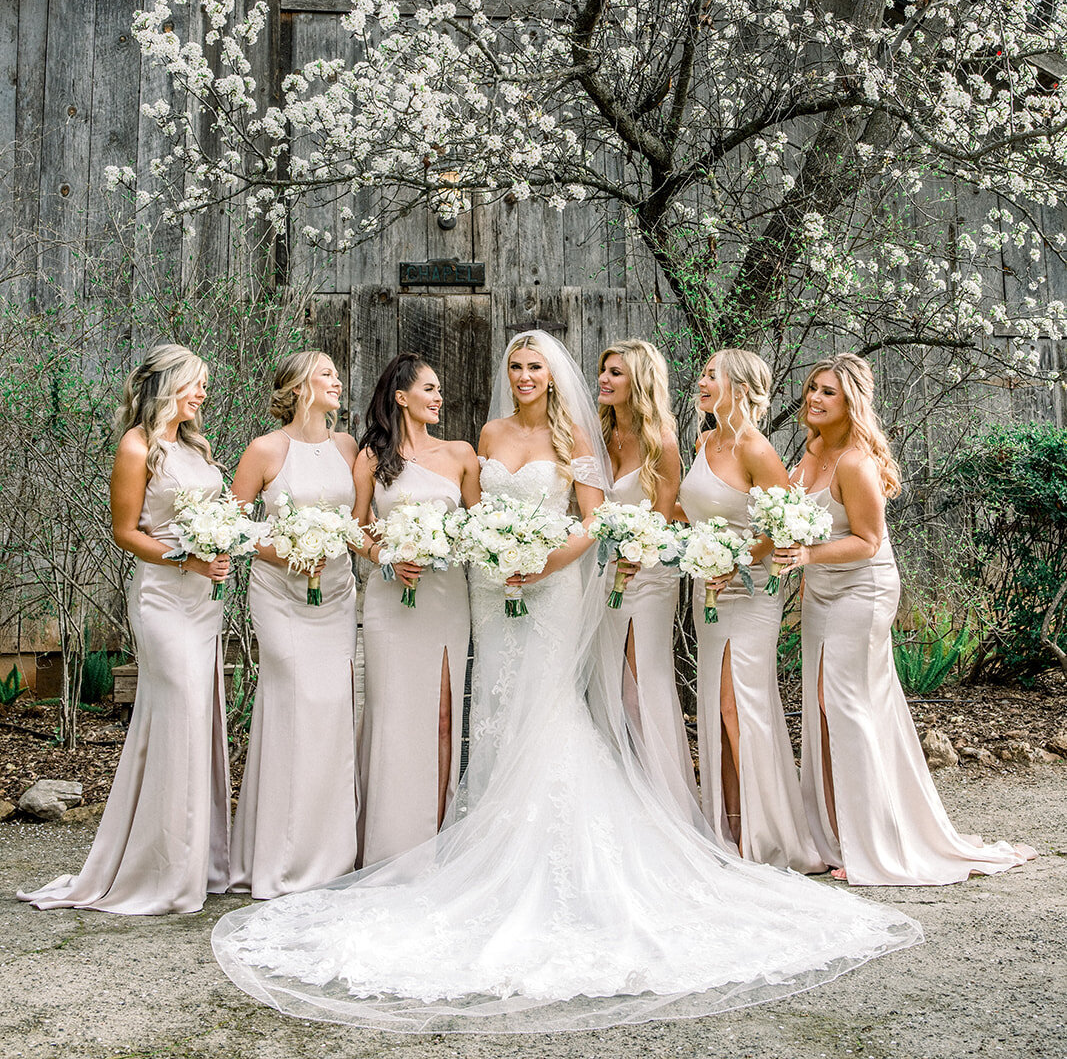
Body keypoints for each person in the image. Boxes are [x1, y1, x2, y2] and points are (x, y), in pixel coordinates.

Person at [211, 332, 920, 1033]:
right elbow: (467, 514)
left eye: (535, 367)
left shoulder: (574, 433)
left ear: (553, 377)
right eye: (515, 366)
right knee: (493, 706)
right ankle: (480, 834)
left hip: (548, 587)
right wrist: (485, 549)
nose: (524, 376)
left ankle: (556, 845)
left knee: (546, 709)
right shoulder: (484, 435)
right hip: (491, 590)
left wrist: (546, 563)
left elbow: (594, 521)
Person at [787, 352, 1035, 886]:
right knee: (821, 704)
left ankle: (872, 842)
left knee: (847, 705)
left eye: (827, 392)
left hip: (862, 588)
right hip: (819, 590)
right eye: (811, 388)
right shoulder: (807, 457)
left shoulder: (855, 462)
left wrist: (806, 556)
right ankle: (831, 834)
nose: (813, 398)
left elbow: (868, 541)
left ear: (850, 401)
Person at [21, 345, 230, 914]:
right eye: (197, 384)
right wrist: (185, 557)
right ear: (169, 384)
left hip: (203, 597)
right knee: (180, 711)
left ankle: (193, 860)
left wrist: (222, 538)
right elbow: (126, 531)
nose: (203, 394)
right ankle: (162, 870)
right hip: (164, 598)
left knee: (195, 719)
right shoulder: (136, 447)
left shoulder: (193, 447)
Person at [678, 350, 823, 870]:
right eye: (703, 372)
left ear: (739, 387)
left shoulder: (755, 449)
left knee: (740, 704)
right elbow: (691, 510)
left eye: (711, 374)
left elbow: (786, 523)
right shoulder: (704, 441)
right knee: (719, 708)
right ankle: (730, 826)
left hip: (750, 591)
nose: (701, 380)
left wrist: (738, 560)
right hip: (708, 589)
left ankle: (763, 838)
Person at [228, 351, 360, 898]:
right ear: (302, 386)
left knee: (331, 709)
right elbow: (230, 528)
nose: (336, 381)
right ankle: (278, 858)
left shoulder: (347, 446)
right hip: (279, 594)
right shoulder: (265, 449)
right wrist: (286, 554)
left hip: (336, 593)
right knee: (292, 703)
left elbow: (358, 521)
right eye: (326, 374)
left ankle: (329, 855)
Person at [353, 353, 478, 864]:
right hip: (391, 601)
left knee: (445, 715)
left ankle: (439, 839)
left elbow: (477, 525)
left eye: (440, 389)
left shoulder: (461, 454)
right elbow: (355, 527)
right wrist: (387, 556)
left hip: (447, 598)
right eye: (428, 389)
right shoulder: (371, 457)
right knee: (393, 714)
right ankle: (389, 843)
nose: (438, 397)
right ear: (401, 397)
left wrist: (453, 543)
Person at [596, 338, 696, 811]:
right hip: (600, 572)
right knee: (606, 684)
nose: (604, 379)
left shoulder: (662, 441)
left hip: (648, 573)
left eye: (616, 373)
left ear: (638, 380)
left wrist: (635, 554)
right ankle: (617, 798)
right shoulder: (596, 435)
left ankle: (663, 802)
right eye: (604, 370)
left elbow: (659, 516)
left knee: (642, 683)